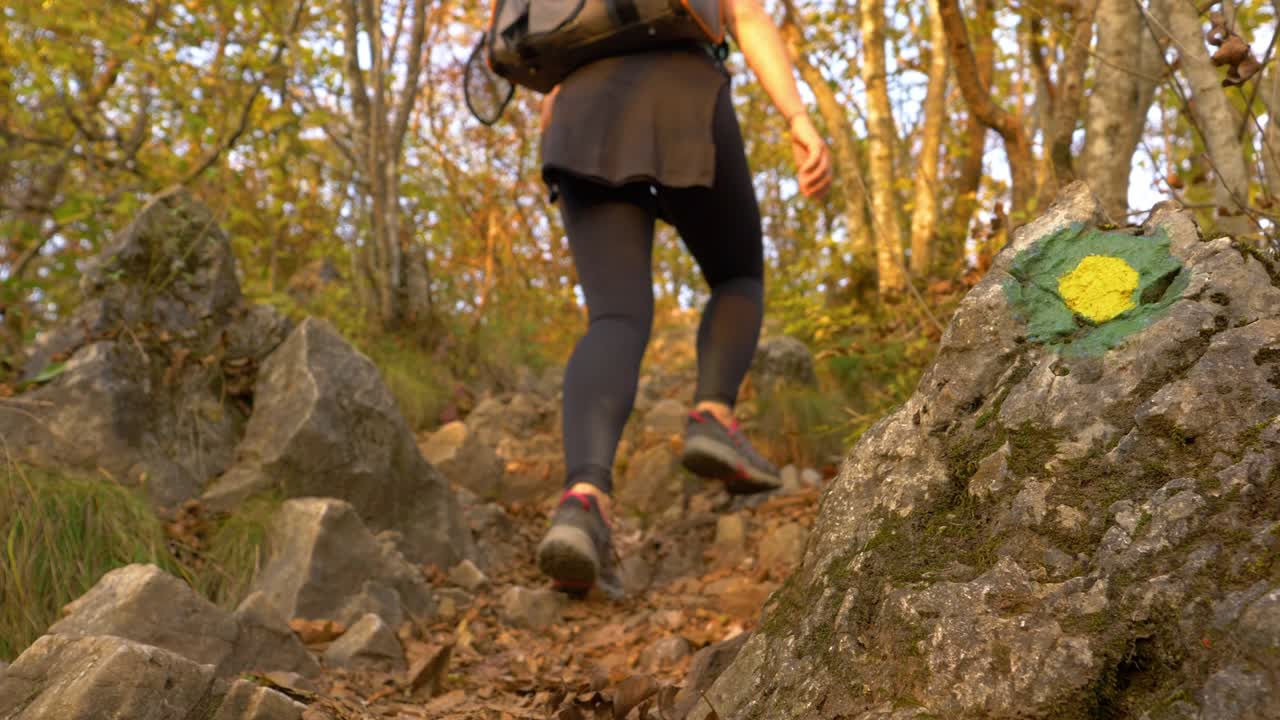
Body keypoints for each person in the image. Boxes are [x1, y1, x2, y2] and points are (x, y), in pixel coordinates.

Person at [534, 0, 833, 597]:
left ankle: (583, 501)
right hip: (681, 90)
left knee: (614, 316)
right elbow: (745, 15)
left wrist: (558, 119)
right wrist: (797, 117)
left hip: (577, 108)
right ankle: (713, 417)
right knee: (736, 274)